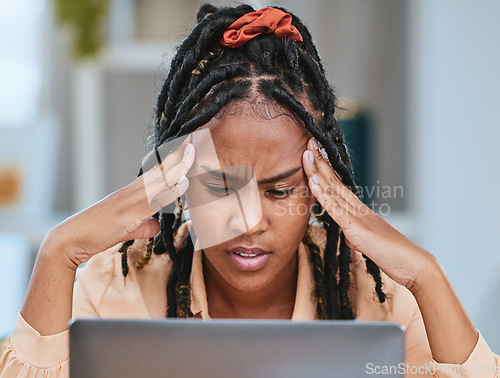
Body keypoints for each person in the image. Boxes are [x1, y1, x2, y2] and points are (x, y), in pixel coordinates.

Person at [0, 4, 498, 377]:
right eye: (220, 186)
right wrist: (58, 253)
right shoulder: (117, 287)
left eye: (281, 191)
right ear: (177, 179)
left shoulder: (380, 295)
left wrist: (428, 275)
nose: (249, 221)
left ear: (319, 187)